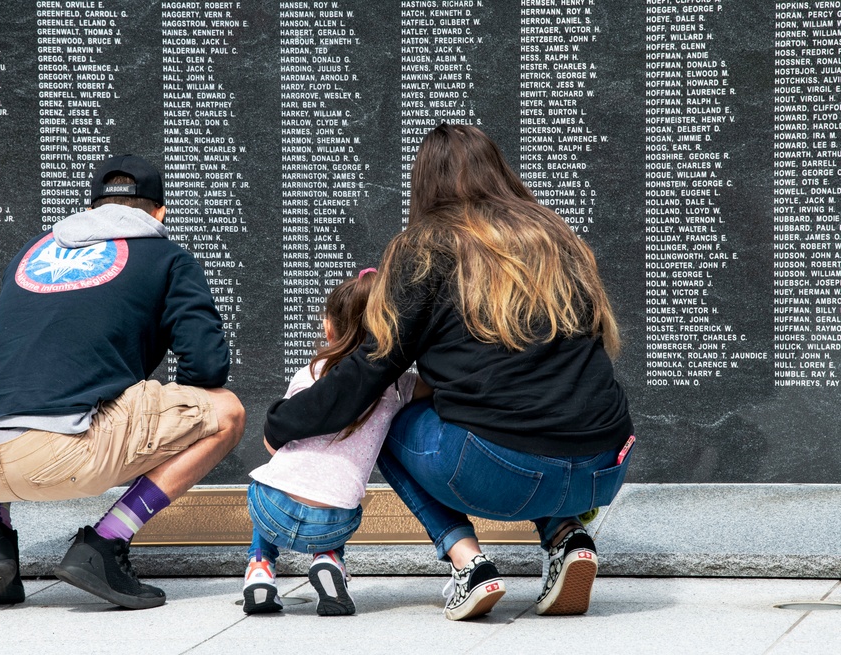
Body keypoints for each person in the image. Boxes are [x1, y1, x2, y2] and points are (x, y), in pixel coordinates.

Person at [264, 124, 635, 621]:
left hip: (502, 472)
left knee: (388, 417)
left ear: (425, 182)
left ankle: (470, 565)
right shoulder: (554, 236)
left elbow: (371, 372)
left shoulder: (425, 247)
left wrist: (283, 421)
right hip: (603, 466)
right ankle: (568, 537)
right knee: (532, 411)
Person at [0, 154, 245, 610]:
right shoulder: (166, 256)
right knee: (226, 411)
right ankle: (103, 545)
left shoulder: (31, 251)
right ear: (159, 213)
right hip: (59, 455)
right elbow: (206, 369)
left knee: (1, 386)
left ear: (92, 208)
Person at [242, 268, 429, 616]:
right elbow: (432, 386)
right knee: (338, 493)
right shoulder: (398, 386)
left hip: (272, 509)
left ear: (330, 328)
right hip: (333, 521)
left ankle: (259, 569)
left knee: (271, 477)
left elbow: (274, 446)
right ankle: (329, 560)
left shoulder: (309, 373)